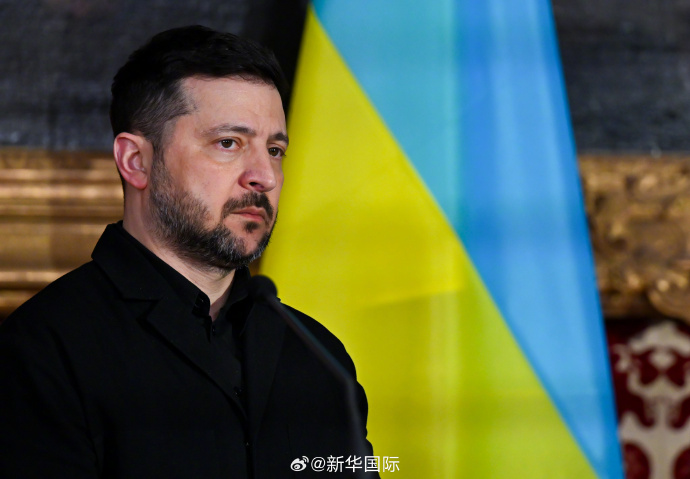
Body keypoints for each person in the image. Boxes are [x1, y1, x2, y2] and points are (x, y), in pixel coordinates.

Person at [0, 26, 376, 478]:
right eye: (228, 143)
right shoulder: (41, 351)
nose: (264, 176)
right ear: (136, 161)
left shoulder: (319, 357)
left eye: (275, 149)